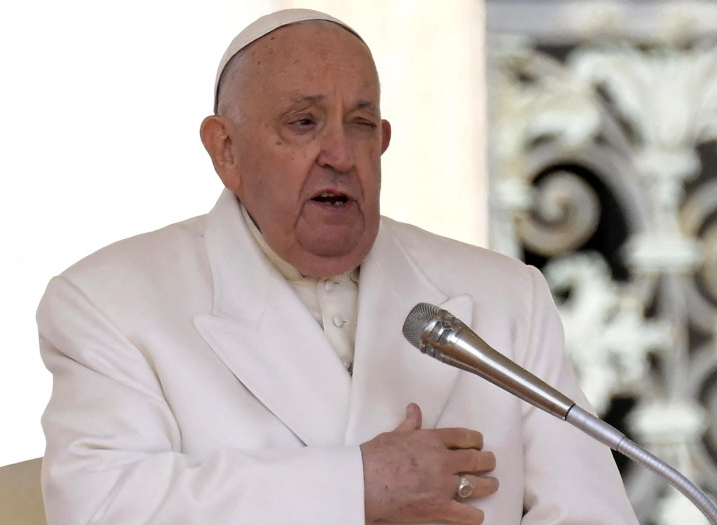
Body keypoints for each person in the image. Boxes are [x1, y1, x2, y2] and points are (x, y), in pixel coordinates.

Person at [37, 8, 637, 525]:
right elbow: (102, 507)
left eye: (360, 124)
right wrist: (358, 485)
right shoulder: (111, 303)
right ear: (226, 150)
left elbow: (590, 513)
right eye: (304, 123)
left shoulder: (506, 296)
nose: (341, 155)